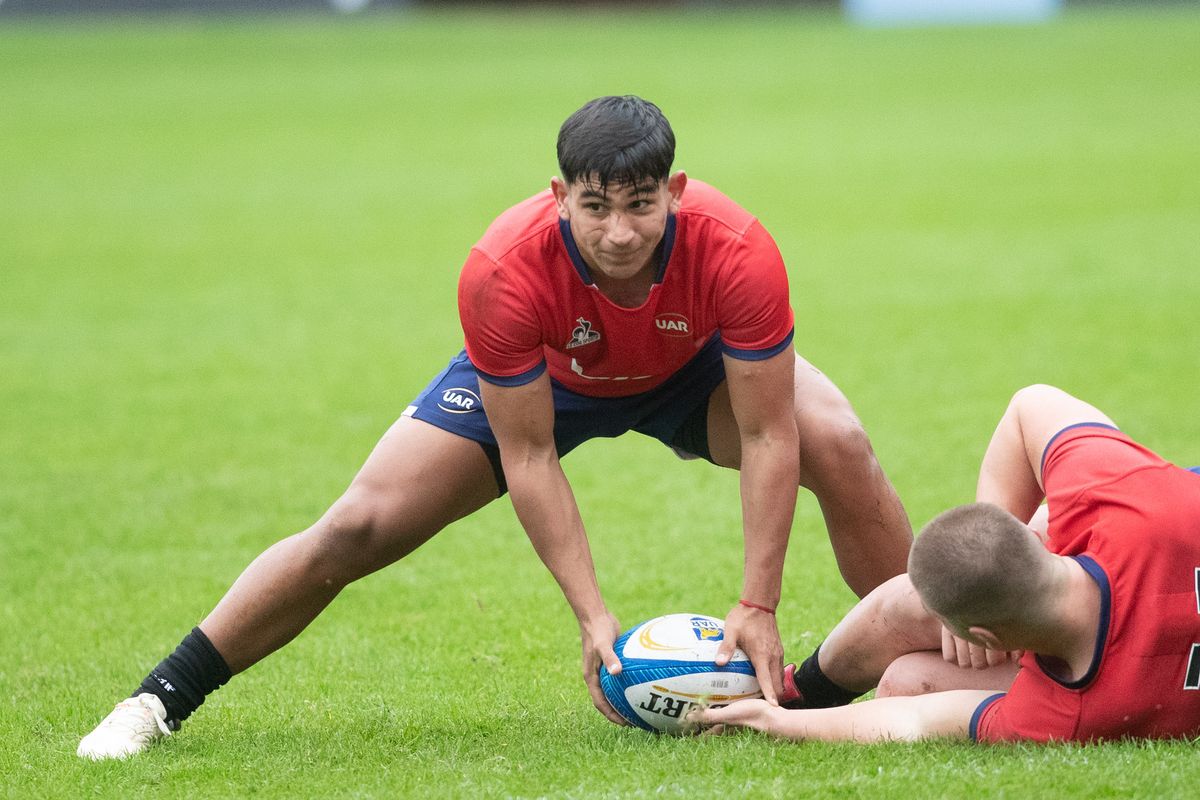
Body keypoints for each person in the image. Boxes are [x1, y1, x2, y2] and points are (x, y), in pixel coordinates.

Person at [77, 95, 912, 759]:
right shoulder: (503, 270)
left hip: (693, 372)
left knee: (837, 441)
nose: (619, 231)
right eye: (595, 206)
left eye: (640, 204)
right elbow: (530, 451)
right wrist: (593, 619)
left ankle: (936, 650)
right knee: (358, 524)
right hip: (549, 380)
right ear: (560, 199)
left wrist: (755, 601)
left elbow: (771, 435)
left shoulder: (738, 251)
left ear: (677, 191)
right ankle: (156, 701)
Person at [692, 384, 1200, 743]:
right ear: (1042, 543)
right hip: (1152, 546)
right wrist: (993, 542)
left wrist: (776, 724)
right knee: (922, 616)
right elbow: (1031, 405)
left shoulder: (1068, 713)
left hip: (1086, 620)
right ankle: (797, 690)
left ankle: (792, 695)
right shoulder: (1122, 500)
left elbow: (916, 716)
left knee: (906, 676)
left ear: (987, 636)